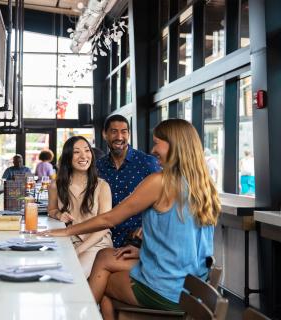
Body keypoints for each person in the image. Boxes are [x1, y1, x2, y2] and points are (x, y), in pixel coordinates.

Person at [41, 119, 220, 319]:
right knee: (105, 256)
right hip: (191, 281)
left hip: (168, 287)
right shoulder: (205, 185)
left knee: (103, 281)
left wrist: (66, 231)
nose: (153, 150)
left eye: (157, 142)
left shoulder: (160, 182)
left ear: (174, 145)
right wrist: (143, 249)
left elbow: (109, 219)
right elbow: (183, 237)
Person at [47, 136, 113, 277]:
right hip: (68, 241)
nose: (83, 156)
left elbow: (104, 227)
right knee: (48, 270)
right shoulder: (55, 186)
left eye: (87, 150)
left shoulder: (102, 186)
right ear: (67, 157)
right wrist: (59, 214)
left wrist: (78, 251)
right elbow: (51, 210)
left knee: (71, 275)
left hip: (96, 244)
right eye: (77, 152)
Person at [96, 114, 160, 248]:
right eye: (114, 132)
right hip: (103, 237)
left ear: (129, 134)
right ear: (104, 134)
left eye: (124, 132)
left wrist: (146, 227)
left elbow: (163, 199)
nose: (119, 137)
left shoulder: (147, 162)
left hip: (138, 241)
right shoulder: (98, 166)